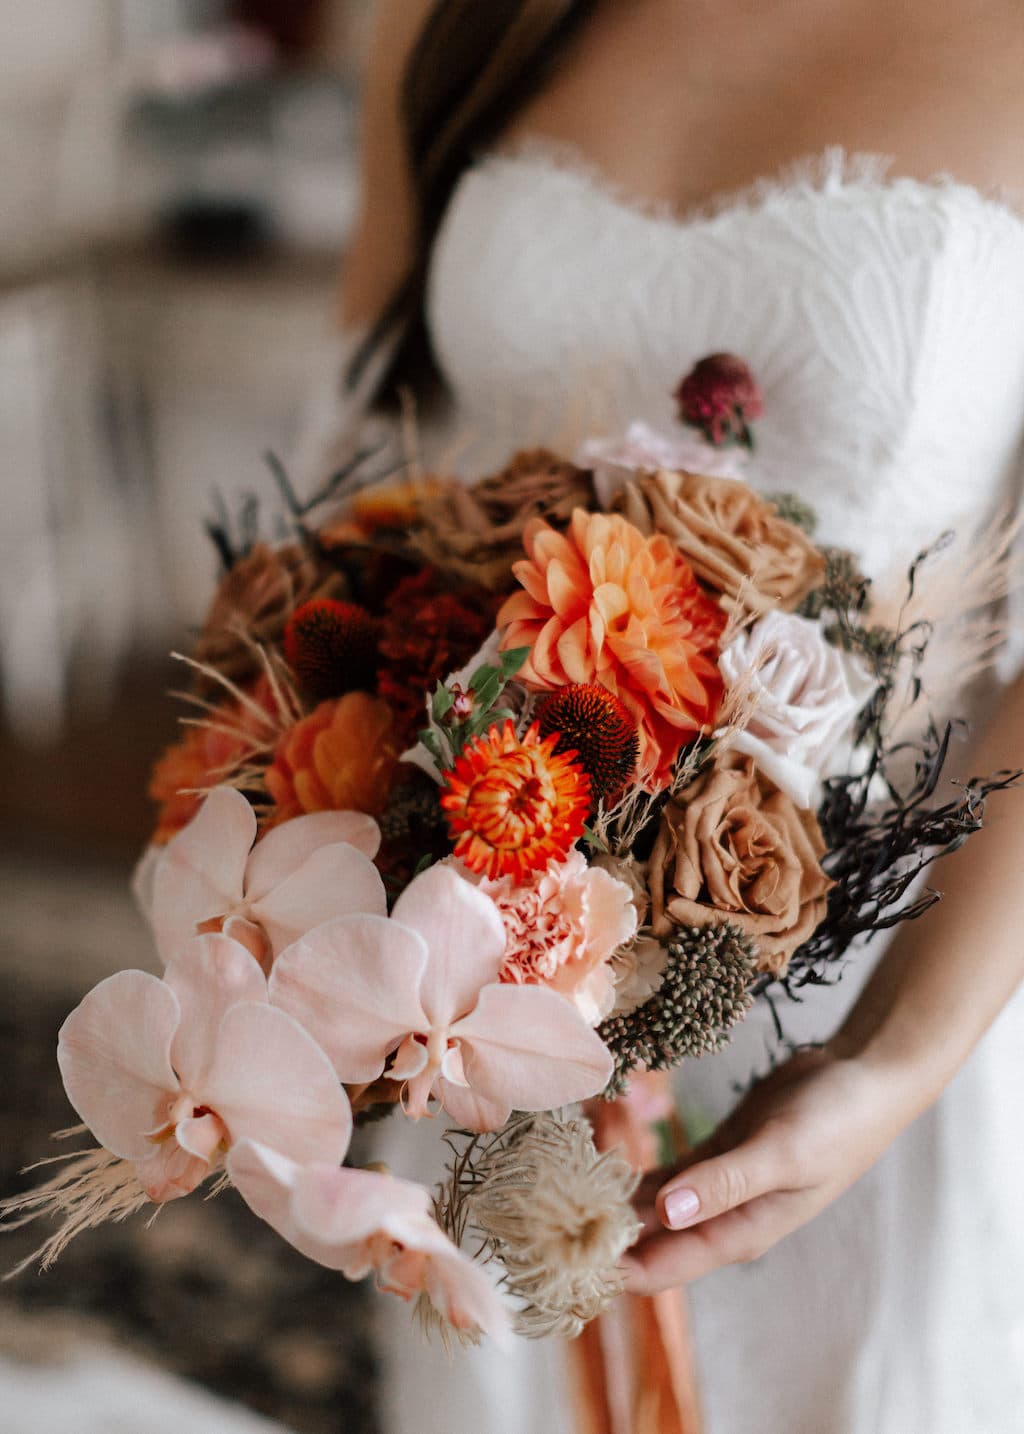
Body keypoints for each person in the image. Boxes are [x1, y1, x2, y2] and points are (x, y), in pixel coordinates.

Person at [329, 3, 1024, 1430]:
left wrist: (891, 1059)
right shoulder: (450, 19)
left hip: (900, 987)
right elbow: (367, 479)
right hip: (483, 981)